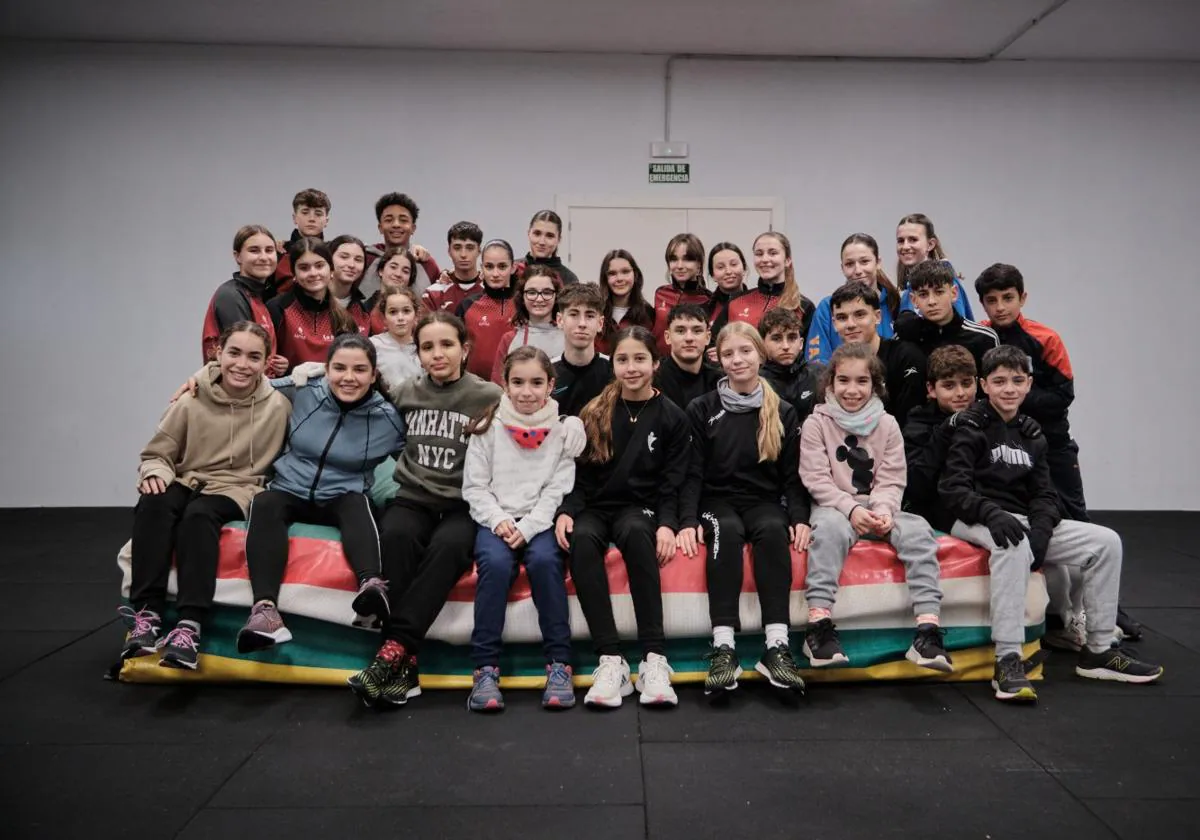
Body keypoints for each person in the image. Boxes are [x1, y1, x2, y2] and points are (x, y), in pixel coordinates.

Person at [940, 346, 1163, 703]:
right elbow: (953, 489)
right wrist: (992, 514)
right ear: (984, 385)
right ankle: (1008, 658)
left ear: (1029, 384)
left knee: (1106, 542)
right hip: (974, 518)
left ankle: (1099, 649)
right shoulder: (971, 425)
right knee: (1011, 543)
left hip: (1025, 519)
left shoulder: (1032, 433)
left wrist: (1042, 531)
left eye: (1017, 381)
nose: (1009, 389)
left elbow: (1045, 494)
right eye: (999, 382)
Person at [974, 263, 1143, 644]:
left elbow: (1063, 396)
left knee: (1078, 520)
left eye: (1008, 298)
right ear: (982, 303)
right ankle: (1056, 614)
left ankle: (1108, 609)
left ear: (1023, 298)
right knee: (1027, 519)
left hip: (1054, 446)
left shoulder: (1045, 338)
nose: (1000, 307)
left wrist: (1013, 398)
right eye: (991, 300)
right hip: (1006, 444)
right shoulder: (981, 337)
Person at [350, 313, 502, 708]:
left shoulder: (488, 396)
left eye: (447, 345)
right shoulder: (405, 392)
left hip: (463, 504)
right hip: (413, 497)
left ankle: (392, 649)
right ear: (417, 354)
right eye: (428, 347)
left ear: (464, 350)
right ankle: (405, 664)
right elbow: (355, 398)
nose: (438, 354)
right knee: (396, 537)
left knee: (449, 548)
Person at [120, 322, 291, 670]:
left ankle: (189, 626)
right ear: (218, 354)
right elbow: (158, 454)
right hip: (187, 478)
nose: (242, 364)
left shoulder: (279, 405)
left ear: (266, 362)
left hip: (239, 486)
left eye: (254, 357)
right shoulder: (191, 400)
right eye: (235, 353)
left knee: (198, 517)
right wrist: (156, 472)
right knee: (154, 501)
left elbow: (322, 377)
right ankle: (147, 615)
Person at [237, 334, 407, 653]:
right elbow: (250, 385)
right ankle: (264, 613)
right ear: (326, 369)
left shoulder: (387, 417)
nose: (348, 377)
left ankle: (371, 590)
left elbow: (413, 453)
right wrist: (198, 380)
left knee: (359, 503)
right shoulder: (304, 390)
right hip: (289, 489)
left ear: (373, 375)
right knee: (264, 502)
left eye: (359, 370)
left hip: (342, 495)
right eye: (339, 368)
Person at [555, 326, 690, 709]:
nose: (631, 367)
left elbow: (671, 483)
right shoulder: (595, 411)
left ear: (655, 363)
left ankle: (653, 658)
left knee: (635, 533)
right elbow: (577, 476)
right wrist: (567, 511)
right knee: (580, 538)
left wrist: (667, 523)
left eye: (639, 359)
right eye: (622, 359)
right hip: (597, 505)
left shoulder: (672, 417)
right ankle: (610, 659)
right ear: (612, 364)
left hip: (640, 507)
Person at [799, 343, 950, 672]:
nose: (852, 390)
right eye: (843, 381)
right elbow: (816, 479)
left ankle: (928, 631)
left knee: (918, 531)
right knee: (828, 532)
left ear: (875, 385)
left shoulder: (888, 425)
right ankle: (818, 626)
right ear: (830, 384)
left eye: (861, 381)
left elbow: (893, 478)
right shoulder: (816, 424)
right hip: (835, 506)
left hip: (878, 504)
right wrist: (851, 511)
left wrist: (883, 511)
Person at [679, 321, 810, 695]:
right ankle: (724, 647)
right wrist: (687, 521)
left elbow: (792, 477)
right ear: (718, 359)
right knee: (727, 531)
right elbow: (691, 474)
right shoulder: (701, 408)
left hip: (762, 502)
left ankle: (777, 647)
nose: (738, 360)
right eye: (729, 353)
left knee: (772, 529)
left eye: (745, 351)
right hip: (715, 503)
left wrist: (799, 518)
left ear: (760, 354)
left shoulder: (781, 410)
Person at [462, 347, 587, 712]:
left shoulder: (564, 431)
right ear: (505, 384)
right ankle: (485, 668)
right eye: (517, 382)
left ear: (551, 385)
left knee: (547, 563)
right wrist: (500, 521)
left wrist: (530, 527)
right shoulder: (487, 428)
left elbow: (558, 488)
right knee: (496, 566)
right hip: (496, 520)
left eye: (536, 383)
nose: (527, 392)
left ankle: (559, 664)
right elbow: (474, 487)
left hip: (539, 522)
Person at [901, 345, 981, 533]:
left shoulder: (987, 416)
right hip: (936, 513)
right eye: (949, 385)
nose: (960, 393)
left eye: (967, 383)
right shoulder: (917, 424)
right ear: (931, 389)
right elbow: (915, 486)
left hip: (986, 507)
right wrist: (946, 430)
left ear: (977, 383)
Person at [830, 282, 927, 428]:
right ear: (834, 323)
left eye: (859, 314)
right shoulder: (833, 368)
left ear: (877, 317)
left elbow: (913, 424)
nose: (850, 324)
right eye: (842, 317)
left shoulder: (906, 357)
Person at [201, 224, 287, 376]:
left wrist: (276, 365)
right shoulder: (231, 296)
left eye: (269, 250)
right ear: (238, 256)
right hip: (237, 393)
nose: (263, 257)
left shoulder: (258, 297)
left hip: (257, 390)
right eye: (254, 250)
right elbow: (244, 356)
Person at [806, 233, 901, 363]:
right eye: (849, 264)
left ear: (878, 263)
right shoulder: (827, 307)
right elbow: (816, 363)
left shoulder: (896, 302)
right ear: (842, 268)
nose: (857, 270)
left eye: (864, 261)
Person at [267, 238, 359, 372]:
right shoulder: (277, 308)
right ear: (294, 274)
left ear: (331, 270)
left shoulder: (344, 318)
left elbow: (350, 367)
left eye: (319, 266)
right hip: (287, 389)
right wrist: (286, 370)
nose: (313, 273)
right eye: (304, 268)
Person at [895, 260, 998, 373]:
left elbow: (995, 386)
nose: (932, 301)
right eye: (923, 294)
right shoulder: (904, 339)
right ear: (914, 300)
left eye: (939, 292)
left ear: (954, 293)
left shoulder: (985, 339)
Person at [717, 231, 815, 341]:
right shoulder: (735, 302)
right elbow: (712, 345)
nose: (765, 259)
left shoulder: (804, 306)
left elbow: (808, 353)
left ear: (787, 260)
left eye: (773, 253)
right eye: (759, 254)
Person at [490, 266, 564, 383]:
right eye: (532, 292)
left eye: (547, 292)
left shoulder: (569, 337)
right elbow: (498, 385)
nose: (539, 299)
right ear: (522, 297)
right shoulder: (509, 339)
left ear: (556, 296)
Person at [457, 239, 518, 380]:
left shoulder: (524, 305)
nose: (495, 274)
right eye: (489, 267)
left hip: (514, 389)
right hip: (476, 390)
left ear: (513, 267)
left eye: (502, 266)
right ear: (482, 268)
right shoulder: (467, 305)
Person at [894, 213, 974, 319]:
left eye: (913, 239)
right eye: (900, 241)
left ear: (930, 244)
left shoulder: (946, 282)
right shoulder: (906, 293)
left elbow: (957, 331)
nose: (905, 246)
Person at [363, 192, 440, 300]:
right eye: (389, 220)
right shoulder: (365, 258)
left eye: (403, 220)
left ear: (413, 228)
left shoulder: (427, 264)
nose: (396, 224)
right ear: (380, 227)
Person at [552, 283, 612, 417]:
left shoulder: (613, 370)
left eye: (590, 316)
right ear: (560, 320)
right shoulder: (547, 371)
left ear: (600, 324)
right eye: (574, 314)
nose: (582, 324)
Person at [759, 308, 822, 423]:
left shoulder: (820, 374)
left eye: (792, 338)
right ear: (763, 344)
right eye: (776, 338)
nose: (786, 346)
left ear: (801, 343)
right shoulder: (755, 382)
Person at [654, 303, 721, 409]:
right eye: (680, 331)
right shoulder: (653, 381)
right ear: (667, 337)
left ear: (708, 338)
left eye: (697, 331)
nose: (689, 338)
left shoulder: (719, 382)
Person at [653, 233, 711, 354]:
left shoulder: (709, 299)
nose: (679, 266)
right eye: (674, 259)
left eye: (687, 259)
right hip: (659, 367)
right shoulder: (660, 293)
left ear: (699, 264)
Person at [597, 249, 655, 354]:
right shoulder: (596, 313)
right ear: (605, 278)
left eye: (625, 272)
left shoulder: (648, 314)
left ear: (635, 275)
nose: (619, 278)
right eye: (612, 273)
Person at [274, 188, 331, 292]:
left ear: (326, 221)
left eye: (318, 214)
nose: (311, 218)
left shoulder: (334, 252)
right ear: (294, 218)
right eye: (305, 212)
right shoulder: (277, 252)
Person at [422, 221, 483, 315]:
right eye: (457, 248)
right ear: (449, 251)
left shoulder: (492, 290)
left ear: (479, 251)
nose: (463, 255)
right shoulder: (433, 293)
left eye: (470, 248)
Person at [370, 286, 423, 391]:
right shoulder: (372, 346)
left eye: (406, 311)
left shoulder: (424, 346)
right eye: (393, 312)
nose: (400, 318)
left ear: (416, 315)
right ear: (384, 318)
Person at [515, 209, 579, 285]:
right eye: (537, 234)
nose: (542, 242)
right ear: (529, 234)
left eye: (550, 236)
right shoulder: (512, 270)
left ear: (559, 239)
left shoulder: (569, 278)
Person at [326, 234, 372, 333]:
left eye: (358, 260)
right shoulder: (311, 301)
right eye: (344, 257)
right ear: (329, 259)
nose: (352, 265)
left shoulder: (363, 310)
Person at [706, 241, 748, 329]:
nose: (728, 271)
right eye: (720, 267)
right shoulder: (704, 310)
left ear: (744, 269)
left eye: (733, 264)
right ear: (713, 275)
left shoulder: (757, 304)